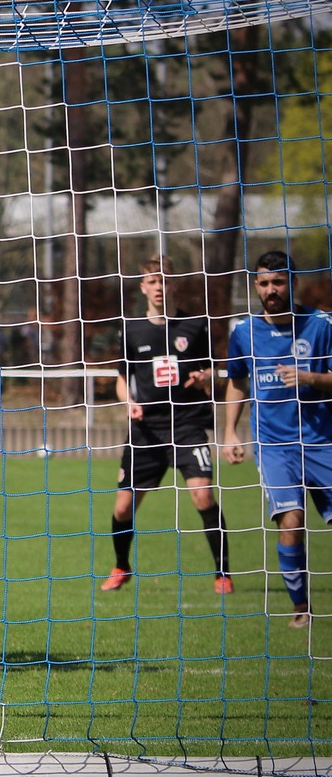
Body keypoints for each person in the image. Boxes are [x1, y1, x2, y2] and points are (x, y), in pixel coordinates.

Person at [100, 255, 231, 594]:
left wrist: (206, 377)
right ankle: (121, 565)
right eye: (152, 281)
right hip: (146, 431)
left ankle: (222, 573)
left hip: (187, 425)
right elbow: (120, 379)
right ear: (143, 287)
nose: (159, 287)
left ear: (173, 284)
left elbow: (214, 373)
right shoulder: (131, 329)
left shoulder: (195, 326)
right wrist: (128, 403)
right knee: (123, 506)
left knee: (202, 496)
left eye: (164, 280)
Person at [222, 251, 332, 629]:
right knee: (291, 519)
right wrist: (230, 431)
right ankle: (301, 608)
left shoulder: (320, 325)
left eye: (279, 282)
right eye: (265, 283)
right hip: (274, 446)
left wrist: (311, 378)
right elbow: (236, 382)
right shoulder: (244, 332)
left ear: (293, 283)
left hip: (322, 440)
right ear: (256, 286)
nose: (272, 290)